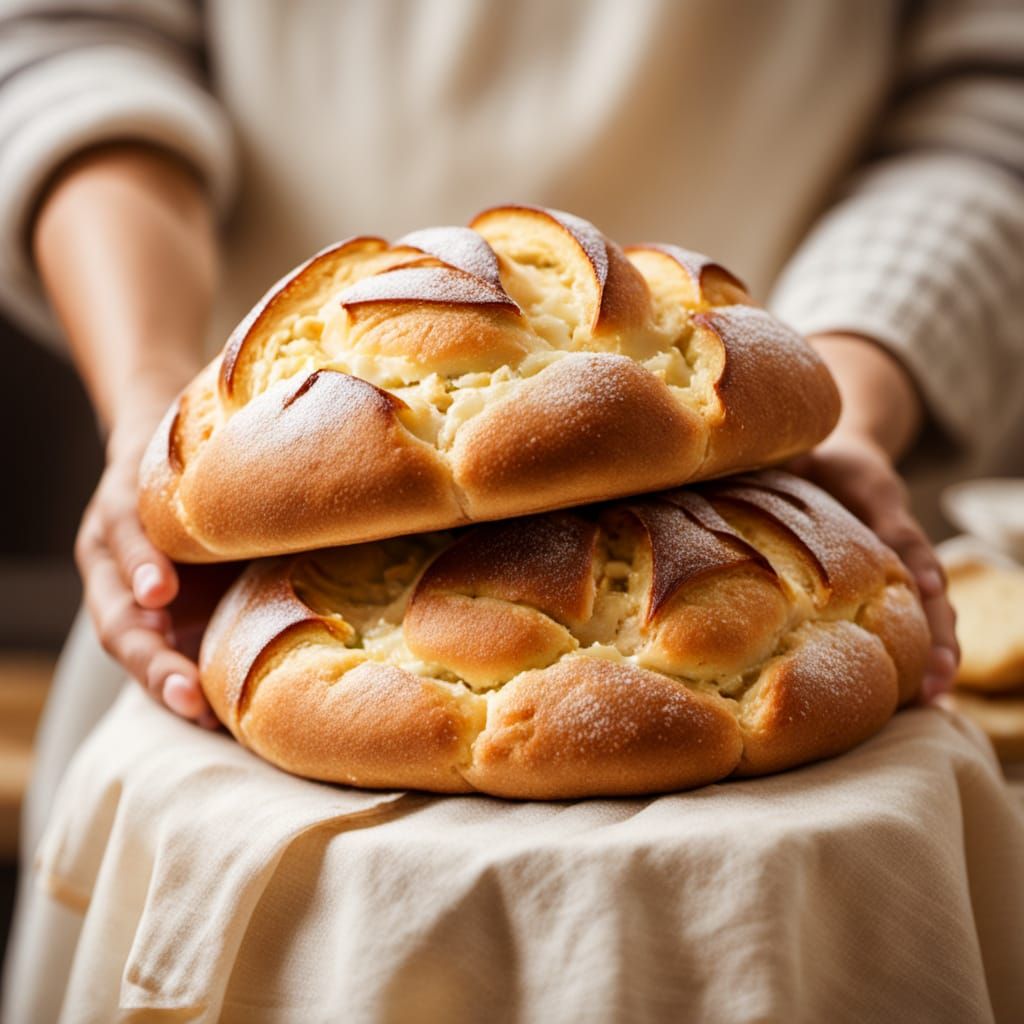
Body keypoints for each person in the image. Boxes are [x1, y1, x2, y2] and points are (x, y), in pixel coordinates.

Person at [3, 0, 1024, 893]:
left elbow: (991, 103)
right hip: (254, 550)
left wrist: (849, 393)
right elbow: (71, 42)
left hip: (765, 490)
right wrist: (149, 397)